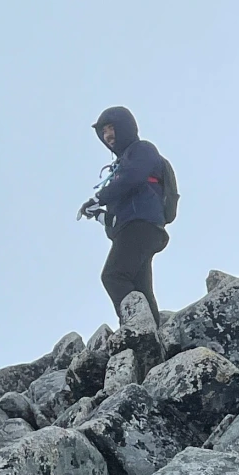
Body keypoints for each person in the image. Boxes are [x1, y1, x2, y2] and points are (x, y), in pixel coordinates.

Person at [78, 107, 171, 320]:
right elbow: (117, 217)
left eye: (111, 128)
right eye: (103, 131)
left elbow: (133, 176)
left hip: (140, 226)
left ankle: (135, 328)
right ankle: (154, 339)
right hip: (140, 228)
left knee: (113, 276)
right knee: (141, 288)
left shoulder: (142, 149)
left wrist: (99, 198)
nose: (107, 135)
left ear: (125, 127)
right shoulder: (120, 169)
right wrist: (100, 214)